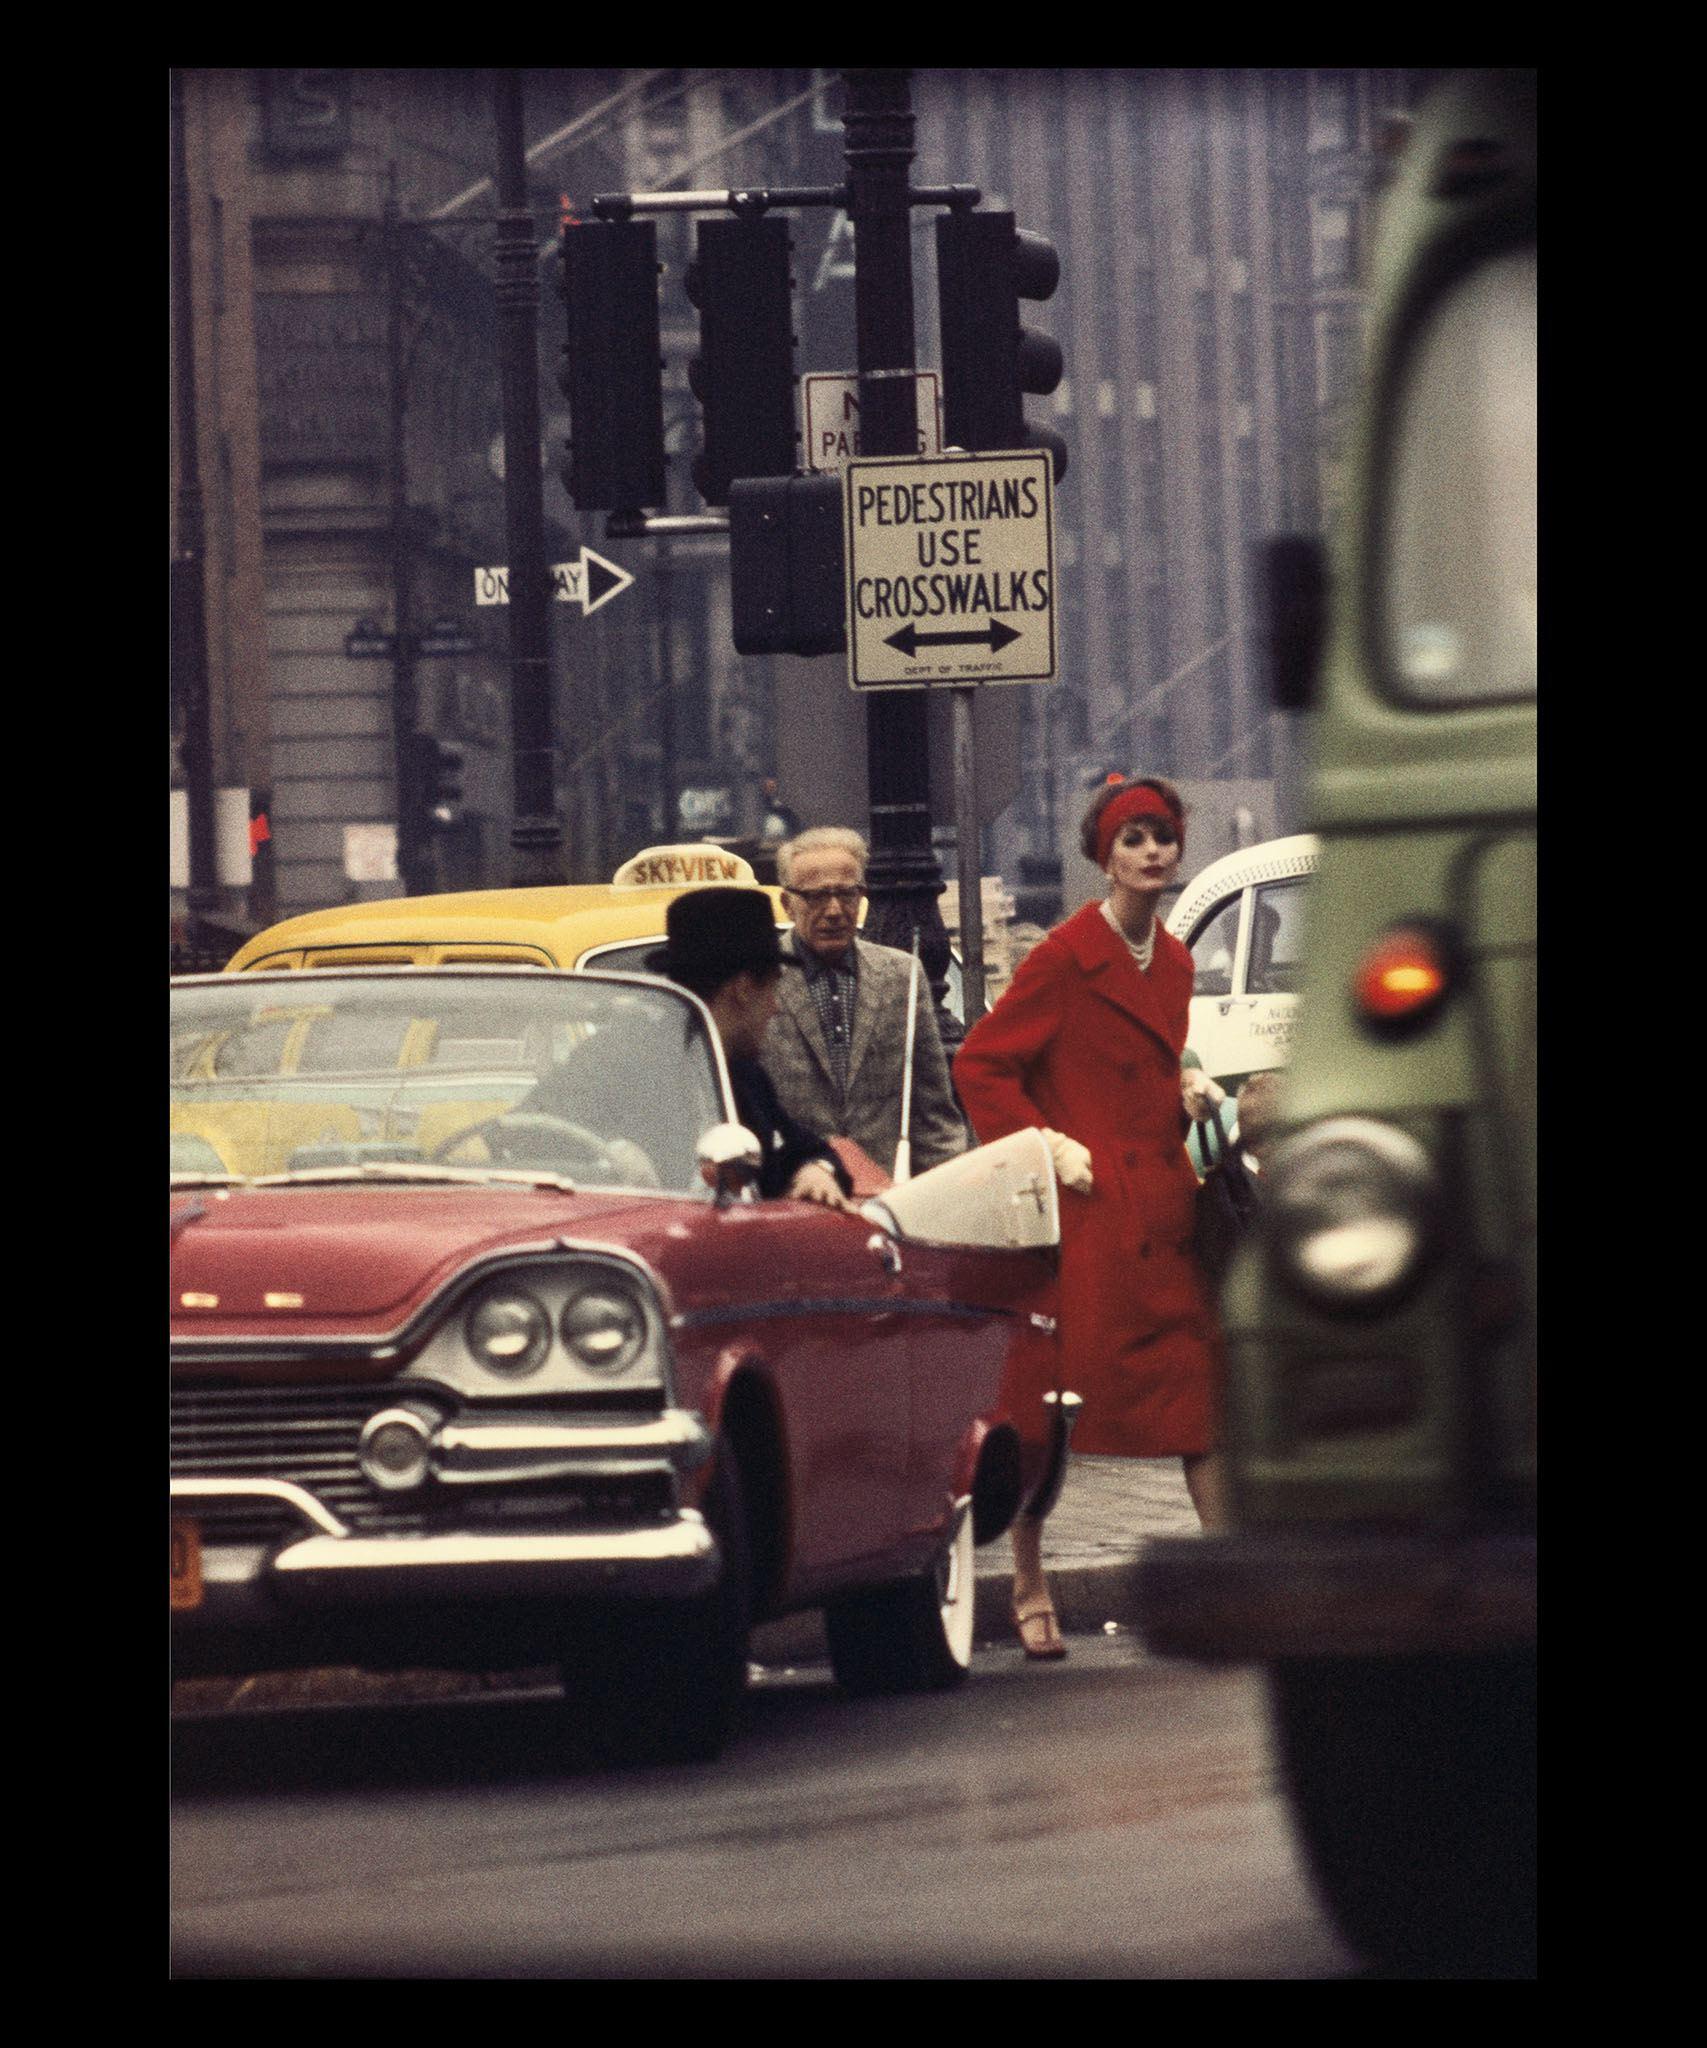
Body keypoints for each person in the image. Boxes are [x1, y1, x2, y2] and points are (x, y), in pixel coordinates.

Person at [953, 775, 1227, 1660]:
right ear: (1102, 855)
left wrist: (1186, 1085)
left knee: (1201, 1403)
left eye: (1162, 838)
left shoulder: (1177, 961)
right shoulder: (1066, 955)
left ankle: (1229, 1575)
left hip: (1167, 1211)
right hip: (1091, 1220)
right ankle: (1028, 1579)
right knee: (1055, 1413)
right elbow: (983, 1065)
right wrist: (1045, 1146)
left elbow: (1148, 1057)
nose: (1152, 853)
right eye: (1133, 839)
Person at [763, 826, 967, 1188]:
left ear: (863, 896)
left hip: (888, 1196)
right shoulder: (761, 979)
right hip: (795, 1199)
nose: (834, 911)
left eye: (847, 894)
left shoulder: (901, 974)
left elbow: (933, 1112)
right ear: (787, 903)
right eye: (816, 897)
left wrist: (947, 1193)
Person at [651, 885, 854, 1207]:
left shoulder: (746, 1076)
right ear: (744, 989)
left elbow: (806, 1148)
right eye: (771, 989)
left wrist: (815, 1170)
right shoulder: (622, 1066)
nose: (775, 1007)